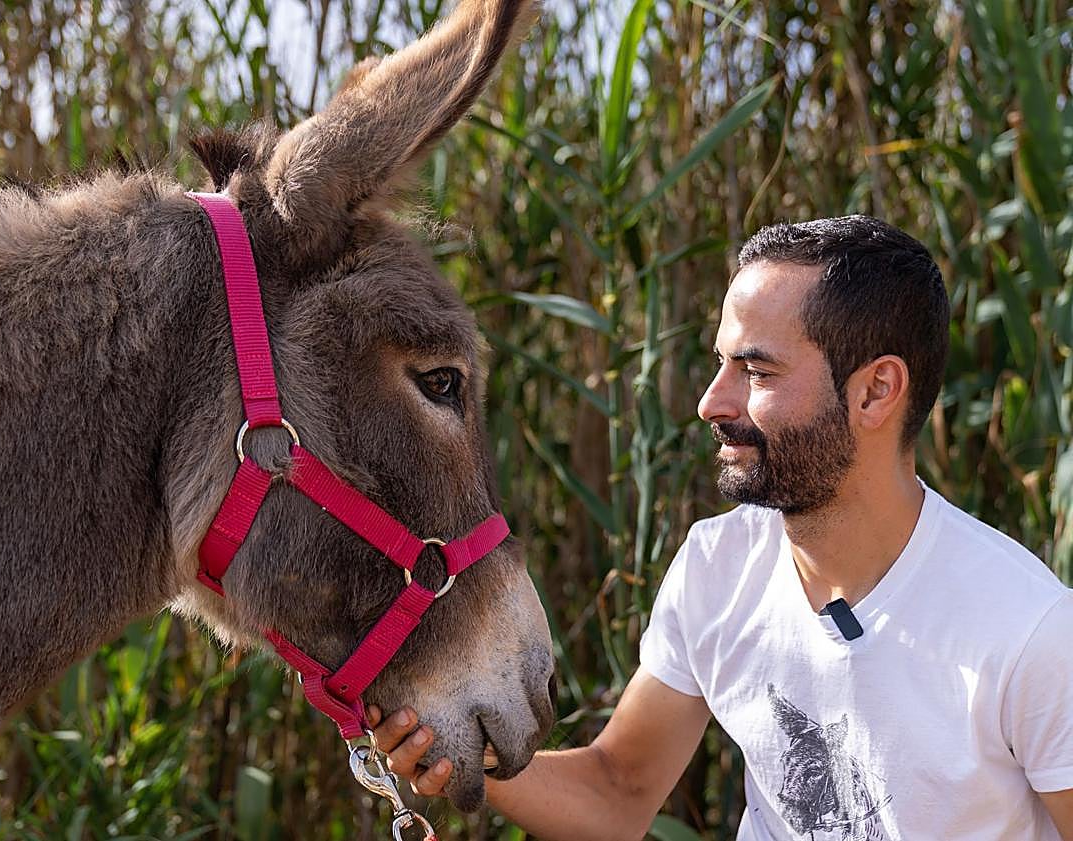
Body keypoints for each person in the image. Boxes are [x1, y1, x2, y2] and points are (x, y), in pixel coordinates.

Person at [368, 215, 1073, 840]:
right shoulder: (718, 567)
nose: (711, 401)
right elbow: (618, 791)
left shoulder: (1028, 632)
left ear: (874, 391)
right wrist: (467, 756)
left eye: (755, 370)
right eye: (720, 362)